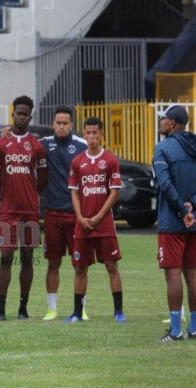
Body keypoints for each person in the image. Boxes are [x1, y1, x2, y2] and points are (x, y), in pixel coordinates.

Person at [152, 105, 196, 341]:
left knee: (173, 274)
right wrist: (191, 207)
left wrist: (180, 209)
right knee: (192, 273)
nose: (161, 122)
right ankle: (194, 328)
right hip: (192, 222)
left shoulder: (162, 148)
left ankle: (176, 331)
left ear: (173, 124)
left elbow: (165, 185)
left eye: (163, 119)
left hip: (171, 221)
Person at [0, 96, 47, 321]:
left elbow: (42, 180)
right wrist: (9, 194)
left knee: (27, 257)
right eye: (18, 113)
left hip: (30, 210)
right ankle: (0, 309)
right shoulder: (0, 144)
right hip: (9, 211)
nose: (22, 117)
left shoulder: (36, 146)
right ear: (12, 114)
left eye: (26, 114)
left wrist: (29, 193)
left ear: (30, 117)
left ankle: (23, 309)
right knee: (6, 257)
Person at [65, 117, 126, 323]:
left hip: (104, 223)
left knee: (111, 265)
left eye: (95, 133)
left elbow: (114, 191)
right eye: (88, 133)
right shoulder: (77, 161)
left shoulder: (110, 160)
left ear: (101, 134)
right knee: (80, 268)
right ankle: (77, 313)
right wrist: (80, 217)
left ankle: (118, 312)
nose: (92, 137)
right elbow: (74, 192)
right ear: (84, 134)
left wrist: (100, 215)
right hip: (83, 224)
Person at [39, 106, 89, 321]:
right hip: (53, 214)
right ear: (53, 123)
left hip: (76, 215)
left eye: (65, 123)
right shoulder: (43, 144)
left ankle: (81, 308)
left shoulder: (81, 146)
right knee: (53, 263)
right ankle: (52, 308)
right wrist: (7, 131)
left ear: (71, 125)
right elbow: (22, 145)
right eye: (58, 122)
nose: (61, 126)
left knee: (80, 264)